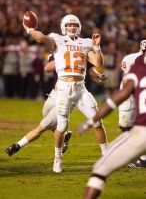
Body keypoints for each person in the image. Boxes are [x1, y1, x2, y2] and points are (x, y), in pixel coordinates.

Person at [23, 14, 108, 173]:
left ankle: (106, 155)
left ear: (79, 27)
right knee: (62, 125)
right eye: (69, 25)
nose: (72, 27)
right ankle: (57, 159)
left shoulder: (86, 42)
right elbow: (41, 38)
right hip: (63, 86)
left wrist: (97, 47)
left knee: (97, 121)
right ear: (64, 27)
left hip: (81, 88)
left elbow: (99, 65)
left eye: (75, 25)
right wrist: (29, 29)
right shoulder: (57, 39)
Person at [82, 47, 146, 199]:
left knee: (100, 169)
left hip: (142, 131)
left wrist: (92, 120)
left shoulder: (138, 70)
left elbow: (116, 100)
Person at [5, 55, 72, 156]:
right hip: (54, 94)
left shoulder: (80, 54)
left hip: (65, 98)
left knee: (42, 127)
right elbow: (47, 68)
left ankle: (17, 145)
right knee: (47, 117)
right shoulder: (58, 53)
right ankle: (64, 135)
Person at [118, 39, 146, 168]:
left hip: (142, 95)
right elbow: (127, 79)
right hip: (129, 94)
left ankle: (142, 157)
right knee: (125, 125)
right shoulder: (130, 58)